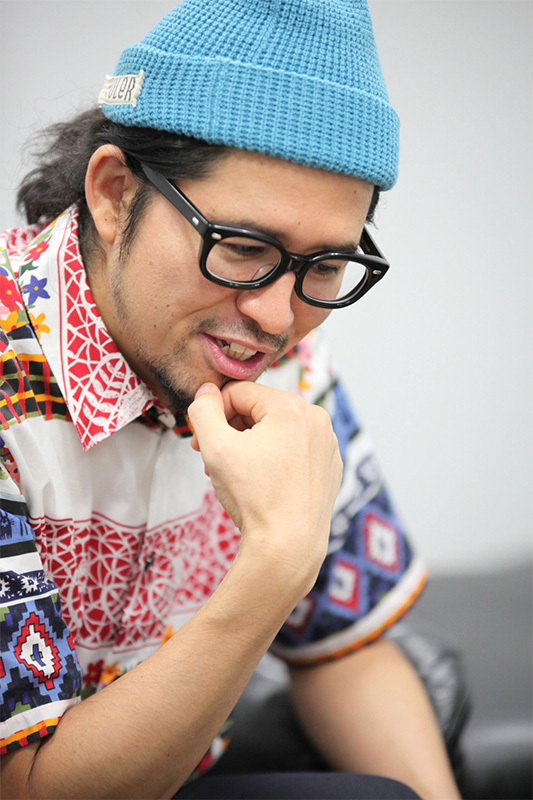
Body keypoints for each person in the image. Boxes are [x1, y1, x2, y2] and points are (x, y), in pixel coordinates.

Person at [0, 1, 461, 797]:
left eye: (324, 267)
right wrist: (276, 564)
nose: (277, 319)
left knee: (430, 706)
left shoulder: (287, 364)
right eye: (242, 247)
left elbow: (341, 647)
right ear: (113, 194)